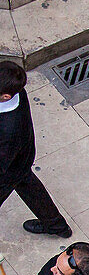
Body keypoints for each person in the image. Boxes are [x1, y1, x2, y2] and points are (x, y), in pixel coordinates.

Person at [0, 61, 71, 238]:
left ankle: (57, 226)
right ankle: (57, 226)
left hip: (9, 168)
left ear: (6, 96)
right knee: (28, 185)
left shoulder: (9, 129)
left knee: (23, 181)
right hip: (20, 159)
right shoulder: (16, 90)